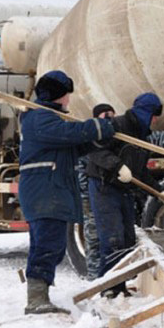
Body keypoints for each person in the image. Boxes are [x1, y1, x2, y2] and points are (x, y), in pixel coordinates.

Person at [18, 70, 115, 314]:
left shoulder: (47, 120)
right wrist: (98, 126)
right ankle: (36, 299)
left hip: (49, 191)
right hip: (44, 192)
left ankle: (39, 296)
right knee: (47, 244)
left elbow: (72, 145)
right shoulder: (41, 119)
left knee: (50, 244)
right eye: (67, 95)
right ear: (57, 95)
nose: (69, 100)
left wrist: (99, 137)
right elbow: (70, 134)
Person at [85, 92, 164, 293]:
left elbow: (141, 172)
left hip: (123, 190)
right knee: (112, 238)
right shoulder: (116, 125)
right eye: (154, 116)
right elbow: (94, 149)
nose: (155, 120)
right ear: (145, 112)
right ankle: (108, 288)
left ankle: (119, 287)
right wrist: (117, 166)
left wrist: (161, 193)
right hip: (103, 186)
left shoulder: (142, 136)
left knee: (127, 240)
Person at [75, 103, 116, 279]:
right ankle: (93, 275)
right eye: (106, 115)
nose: (110, 118)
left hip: (102, 193)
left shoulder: (109, 134)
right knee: (93, 237)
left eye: (112, 114)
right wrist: (87, 191)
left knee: (106, 235)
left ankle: (105, 276)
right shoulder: (89, 136)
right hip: (89, 196)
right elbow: (79, 168)